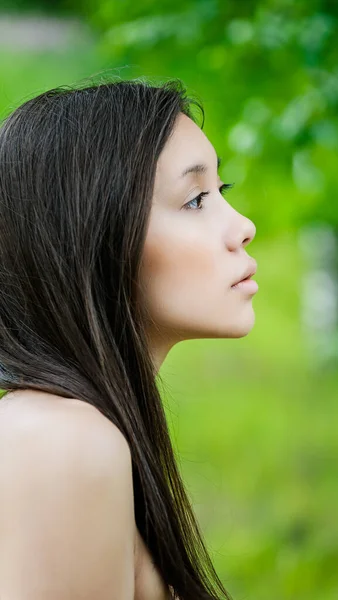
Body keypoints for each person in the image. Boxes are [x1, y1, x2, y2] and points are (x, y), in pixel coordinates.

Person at [0, 77, 257, 599]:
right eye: (194, 200)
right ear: (93, 235)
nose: (244, 226)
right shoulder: (60, 439)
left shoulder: (76, 427)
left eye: (221, 191)